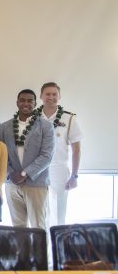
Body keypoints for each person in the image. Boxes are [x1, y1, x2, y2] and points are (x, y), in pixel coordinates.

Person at [0, 89, 54, 231]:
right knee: (18, 226)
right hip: (11, 183)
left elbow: (46, 156)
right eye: (22, 100)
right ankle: (22, 254)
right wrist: (10, 173)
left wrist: (24, 174)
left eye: (30, 101)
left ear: (35, 103)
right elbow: (0, 155)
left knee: (39, 226)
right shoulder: (5, 127)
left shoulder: (46, 126)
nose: (26, 103)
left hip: (36, 183)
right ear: (17, 102)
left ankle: (40, 254)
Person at [38, 82, 83, 226]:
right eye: (47, 94)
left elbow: (77, 150)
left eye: (54, 94)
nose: (51, 97)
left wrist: (74, 176)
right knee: (39, 213)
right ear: (41, 96)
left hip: (59, 169)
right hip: (38, 170)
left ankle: (58, 247)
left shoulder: (69, 118)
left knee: (59, 214)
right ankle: (42, 247)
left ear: (59, 96)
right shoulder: (33, 117)